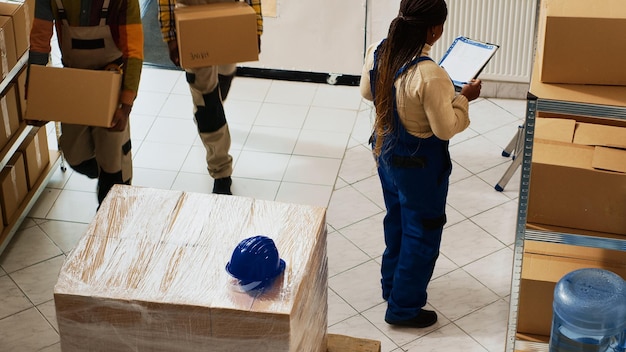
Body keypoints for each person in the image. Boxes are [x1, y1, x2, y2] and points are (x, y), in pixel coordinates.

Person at [359, 0, 481, 328]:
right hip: (418, 168)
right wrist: (463, 98)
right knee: (422, 233)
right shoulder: (430, 74)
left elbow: (367, 93)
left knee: (397, 220)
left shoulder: (379, 49)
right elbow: (445, 128)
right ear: (434, 29)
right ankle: (404, 308)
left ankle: (391, 287)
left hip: (384, 151)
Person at [28, 0, 144, 205]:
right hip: (75, 82)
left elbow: (133, 51)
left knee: (113, 162)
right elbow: (39, 41)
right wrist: (35, 97)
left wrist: (126, 105)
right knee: (75, 155)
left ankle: (111, 216)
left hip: (111, 83)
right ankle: (104, 170)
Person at [158, 0, 263, 195]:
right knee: (207, 103)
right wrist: (171, 36)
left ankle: (209, 111)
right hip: (192, 20)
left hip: (228, 15)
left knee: (225, 72)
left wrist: (254, 27)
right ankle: (221, 172)